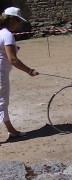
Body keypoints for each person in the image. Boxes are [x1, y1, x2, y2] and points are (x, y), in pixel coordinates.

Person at [0, 7, 39, 139]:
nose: (18, 24)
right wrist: (29, 71)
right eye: (17, 20)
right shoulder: (7, 35)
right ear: (10, 19)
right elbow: (13, 60)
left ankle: (11, 130)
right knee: (1, 102)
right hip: (1, 72)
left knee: (2, 102)